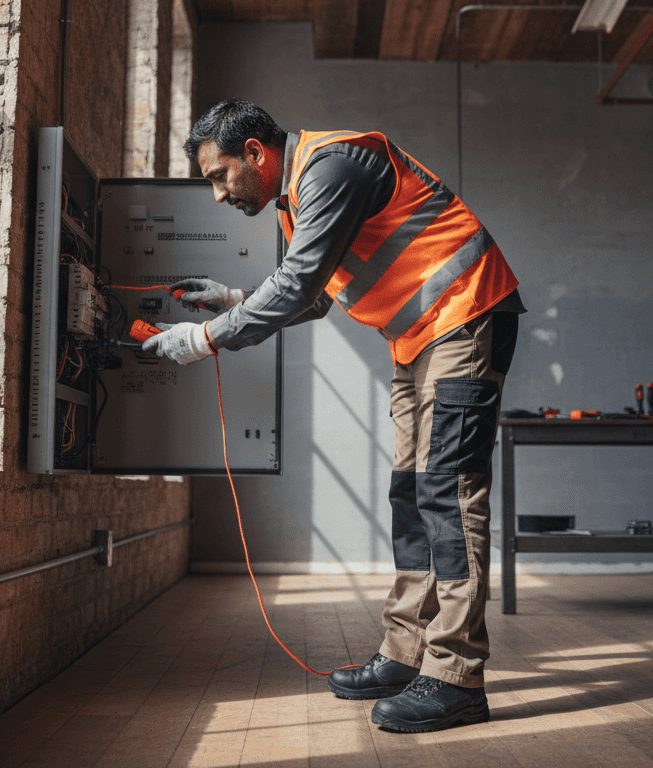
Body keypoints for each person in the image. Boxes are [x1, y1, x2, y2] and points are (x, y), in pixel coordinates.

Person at [143, 99, 524, 733]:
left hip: (465, 317)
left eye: (219, 175)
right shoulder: (299, 197)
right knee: (413, 494)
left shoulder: (332, 166)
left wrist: (205, 337)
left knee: (448, 495)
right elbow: (316, 295)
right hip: (423, 338)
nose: (217, 195)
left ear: (256, 154)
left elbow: (296, 287)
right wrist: (235, 298)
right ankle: (406, 654)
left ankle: (457, 675)